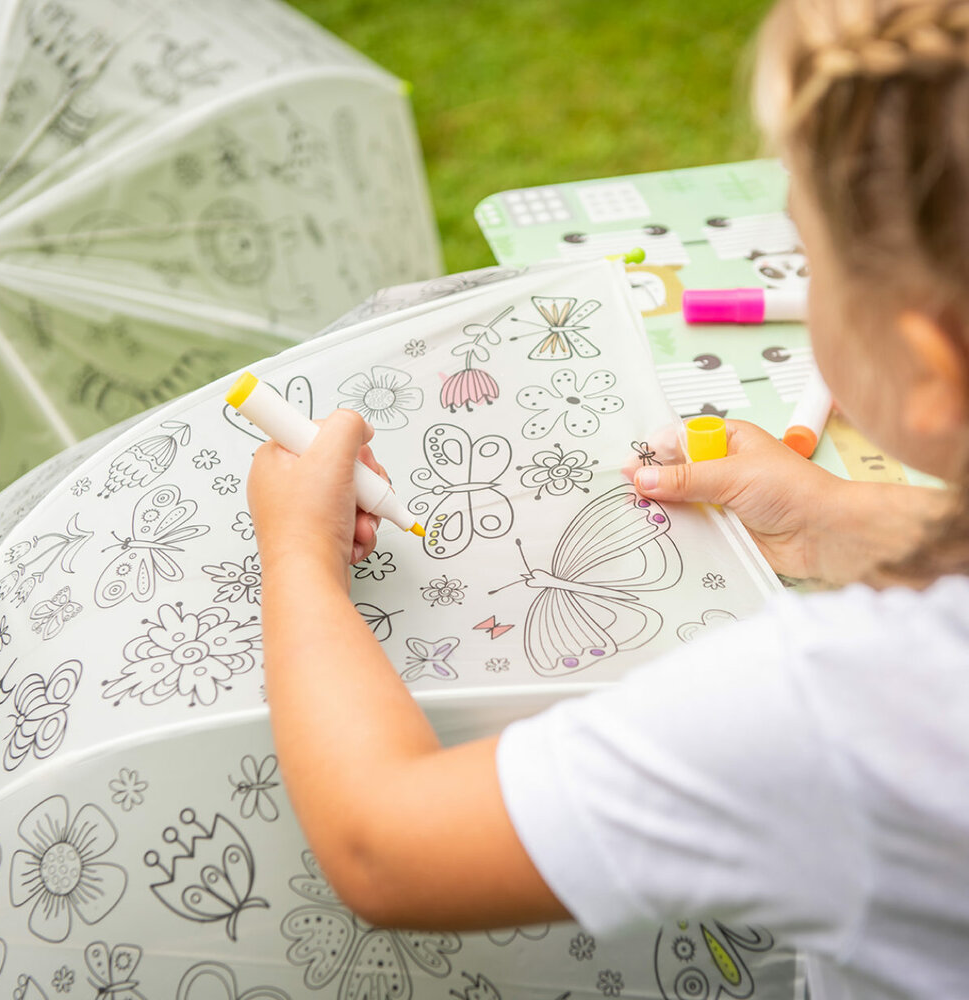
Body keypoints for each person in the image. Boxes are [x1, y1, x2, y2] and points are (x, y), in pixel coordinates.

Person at [246, 2, 969, 996]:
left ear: (925, 366)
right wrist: (833, 521)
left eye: (810, 262)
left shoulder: (840, 711)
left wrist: (296, 557)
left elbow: (385, 844)